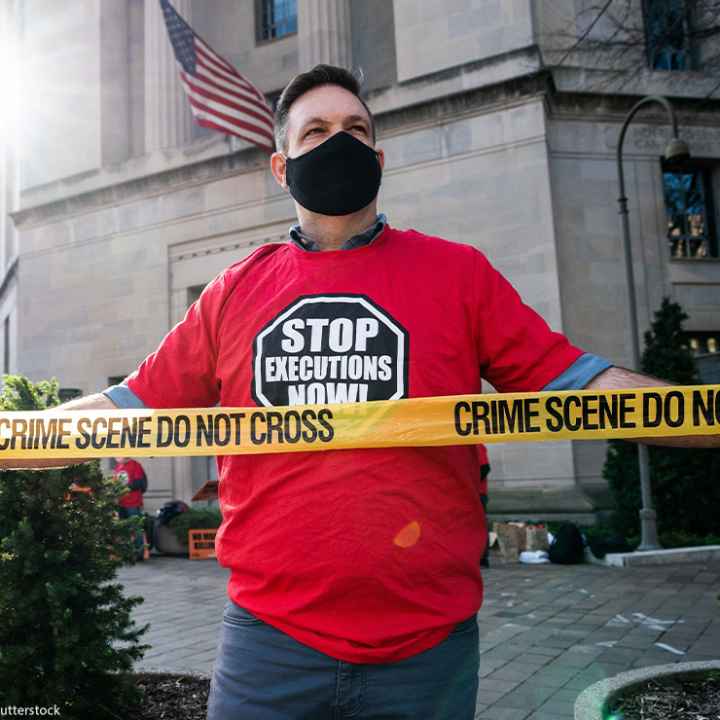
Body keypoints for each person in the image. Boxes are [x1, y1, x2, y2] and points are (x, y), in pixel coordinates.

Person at [4, 65, 717, 719]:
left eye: (355, 131)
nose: (337, 142)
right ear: (282, 166)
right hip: (268, 645)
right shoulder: (232, 292)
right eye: (315, 132)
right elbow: (130, 408)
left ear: (378, 161)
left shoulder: (458, 276)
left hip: (425, 651)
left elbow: (580, 382)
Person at [113, 456, 147, 561]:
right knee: (123, 530)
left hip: (133, 502)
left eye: (118, 455)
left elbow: (140, 483)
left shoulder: (135, 465)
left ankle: (139, 553)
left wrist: (125, 487)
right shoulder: (118, 466)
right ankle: (126, 553)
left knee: (136, 528)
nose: (115, 457)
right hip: (121, 502)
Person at [477, 445, 491, 568]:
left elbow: (484, 467)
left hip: (478, 492)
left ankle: (482, 557)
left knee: (479, 524)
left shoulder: (476, 444)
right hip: (472, 491)